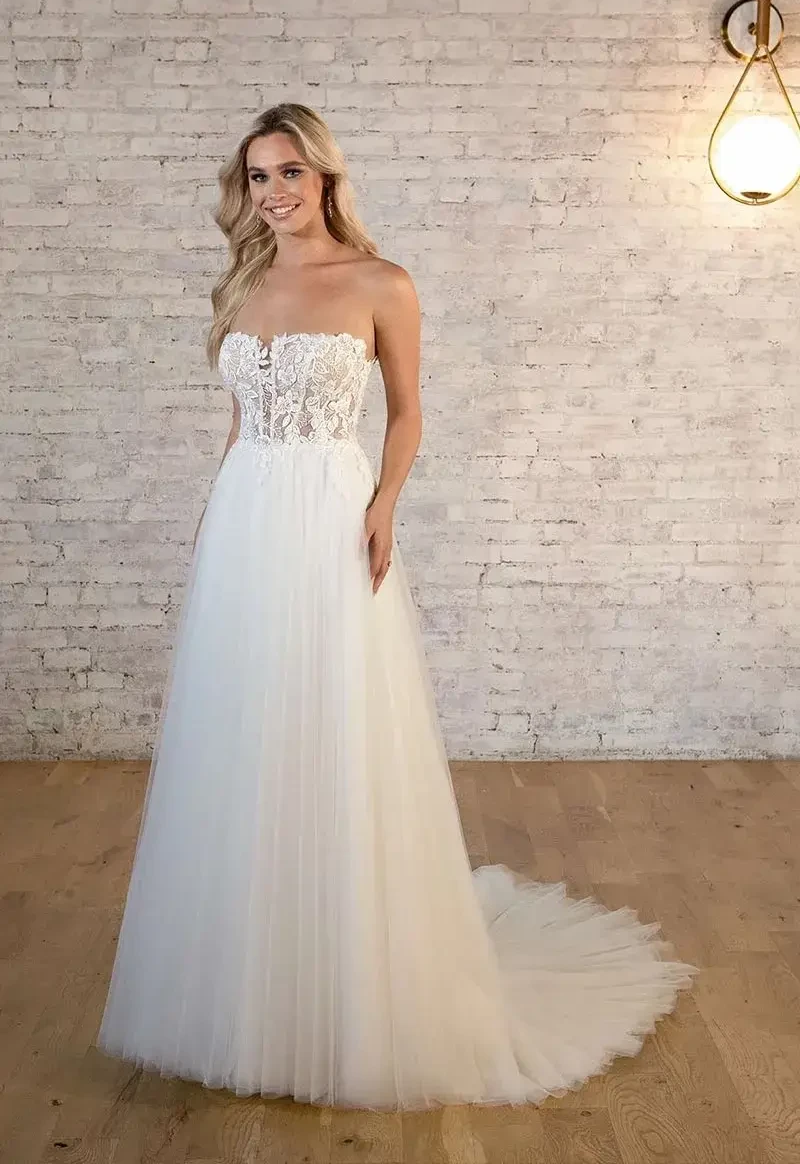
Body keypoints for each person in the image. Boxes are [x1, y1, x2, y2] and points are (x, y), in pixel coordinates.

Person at [95, 102, 699, 1112]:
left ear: (325, 177)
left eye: (291, 172)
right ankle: (250, 974)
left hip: (330, 515)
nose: (275, 193)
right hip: (248, 519)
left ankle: (353, 974)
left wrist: (382, 504)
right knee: (243, 733)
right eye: (257, 178)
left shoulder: (380, 283)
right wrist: (212, 527)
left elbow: (409, 409)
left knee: (337, 725)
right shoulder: (244, 281)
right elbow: (240, 426)